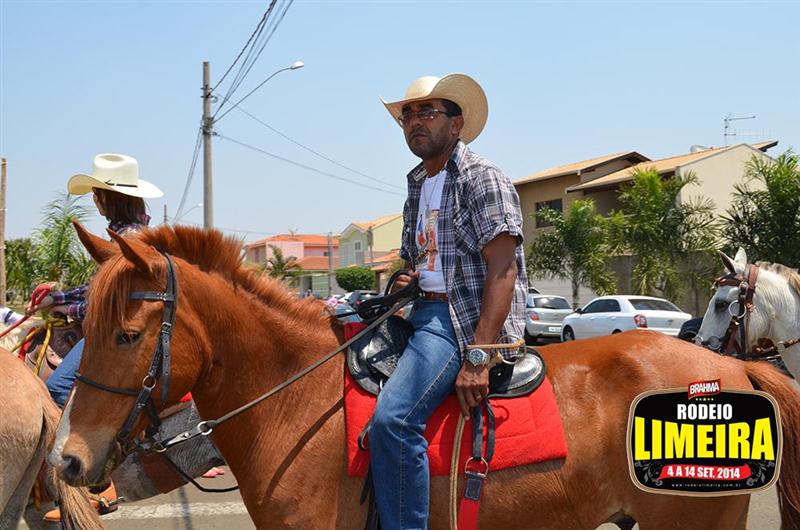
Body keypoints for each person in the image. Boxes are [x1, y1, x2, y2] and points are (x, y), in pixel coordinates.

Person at [369, 74, 528, 529]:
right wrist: (407, 280)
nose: (414, 122)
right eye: (407, 115)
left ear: (456, 124)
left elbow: (503, 270)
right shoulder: (418, 184)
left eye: (427, 112)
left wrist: (479, 354)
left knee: (394, 421)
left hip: (458, 321)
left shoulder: (482, 178)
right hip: (421, 310)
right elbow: (420, 261)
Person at [26, 153, 163, 407]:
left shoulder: (128, 240)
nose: (94, 199)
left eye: (97, 193)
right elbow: (96, 288)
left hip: (118, 330)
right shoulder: (132, 233)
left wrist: (61, 308)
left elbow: (106, 304)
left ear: (109, 197)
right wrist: (55, 299)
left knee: (56, 390)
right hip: (125, 329)